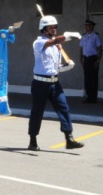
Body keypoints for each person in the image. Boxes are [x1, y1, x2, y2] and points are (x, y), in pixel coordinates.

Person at [27, 15, 84, 151]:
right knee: (37, 112)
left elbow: (54, 67)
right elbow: (52, 42)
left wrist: (65, 67)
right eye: (51, 27)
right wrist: (67, 36)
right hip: (40, 84)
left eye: (55, 27)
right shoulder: (39, 43)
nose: (54, 29)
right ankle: (32, 140)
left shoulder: (57, 46)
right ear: (44, 29)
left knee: (64, 108)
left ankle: (69, 139)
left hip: (54, 83)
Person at [79, 19, 102, 104]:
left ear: (92, 27)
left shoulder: (96, 36)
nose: (86, 27)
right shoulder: (84, 36)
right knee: (87, 79)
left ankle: (93, 98)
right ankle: (88, 97)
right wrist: (80, 59)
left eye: (88, 26)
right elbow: (81, 48)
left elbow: (100, 49)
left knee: (93, 79)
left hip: (93, 59)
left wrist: (98, 60)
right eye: (85, 26)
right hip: (86, 58)